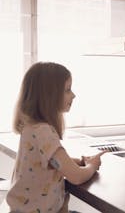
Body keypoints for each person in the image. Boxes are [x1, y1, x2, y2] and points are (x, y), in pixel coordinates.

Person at [2, 62, 105, 213]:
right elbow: (76, 177)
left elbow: (48, 163)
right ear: (49, 95)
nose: (74, 95)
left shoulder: (32, 127)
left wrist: (77, 162)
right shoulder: (44, 132)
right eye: (67, 90)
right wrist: (92, 165)